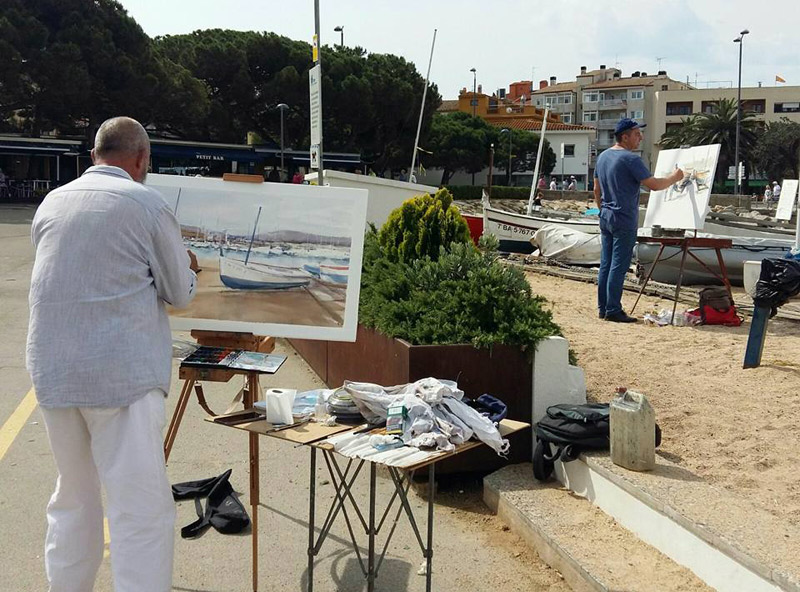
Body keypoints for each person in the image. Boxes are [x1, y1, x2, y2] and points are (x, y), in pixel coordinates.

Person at [27, 116, 198, 592]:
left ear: (93, 155)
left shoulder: (52, 202)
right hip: (120, 377)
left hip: (54, 374)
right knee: (139, 509)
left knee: (73, 498)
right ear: (141, 159)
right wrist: (190, 268)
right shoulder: (147, 203)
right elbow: (180, 293)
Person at [594, 118, 683, 323]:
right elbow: (653, 185)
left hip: (606, 216)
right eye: (636, 134)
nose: (640, 137)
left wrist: (602, 211)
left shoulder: (603, 157)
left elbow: (596, 190)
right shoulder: (630, 159)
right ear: (625, 137)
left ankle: (604, 307)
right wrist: (674, 177)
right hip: (623, 218)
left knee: (606, 264)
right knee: (618, 265)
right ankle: (613, 310)